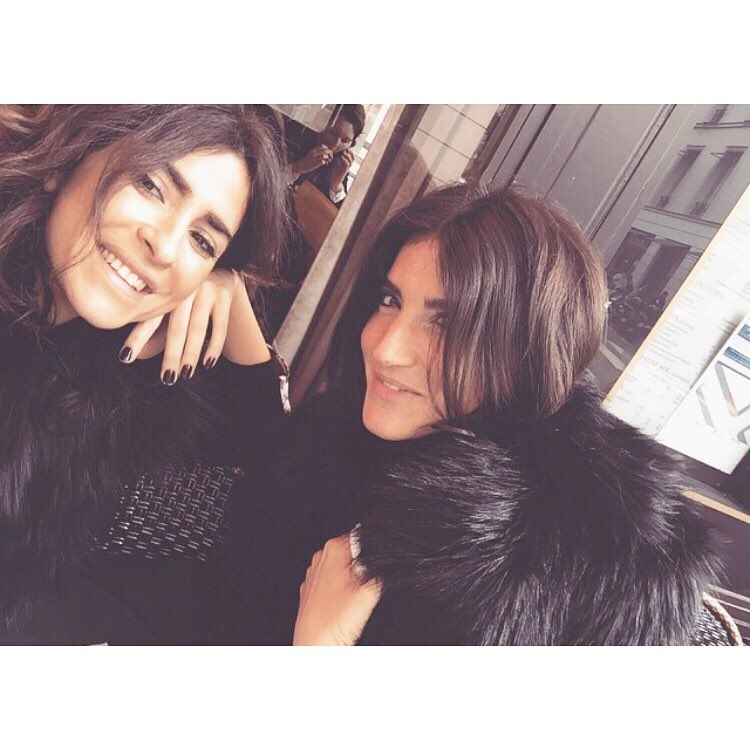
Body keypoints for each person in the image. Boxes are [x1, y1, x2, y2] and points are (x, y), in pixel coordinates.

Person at [207, 183, 721, 646]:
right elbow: (264, 451)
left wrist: (321, 645)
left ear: (525, 354)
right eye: (390, 300)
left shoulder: (606, 570)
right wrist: (229, 298)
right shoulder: (347, 441)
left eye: (447, 323)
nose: (386, 349)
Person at [0, 105, 290, 642]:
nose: (166, 246)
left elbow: (271, 456)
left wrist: (232, 295)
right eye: (151, 185)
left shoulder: (123, 385)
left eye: (203, 241)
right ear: (70, 156)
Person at [285, 104, 367, 205]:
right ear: (321, 121)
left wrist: (336, 184)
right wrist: (299, 167)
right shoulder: (292, 132)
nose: (336, 144)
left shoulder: (340, 161)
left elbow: (338, 211)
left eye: (345, 141)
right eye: (333, 132)